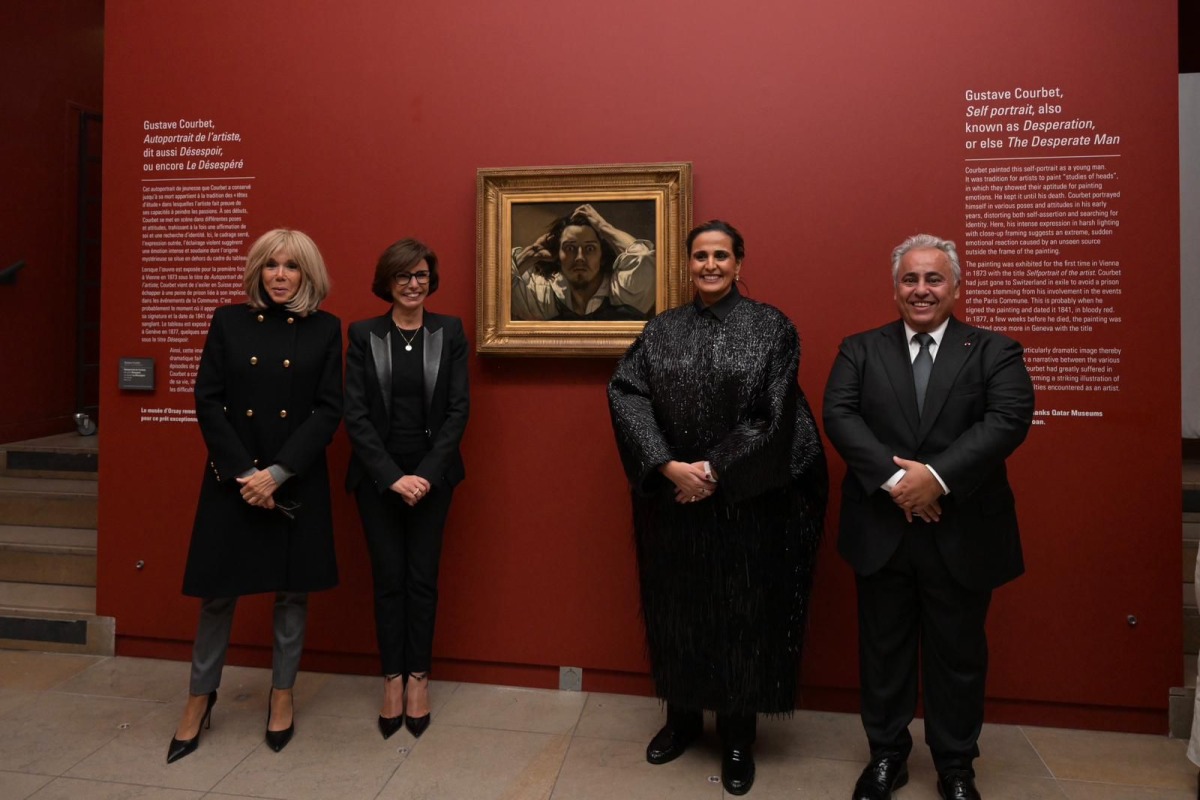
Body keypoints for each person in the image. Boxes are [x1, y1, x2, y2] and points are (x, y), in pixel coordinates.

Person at [607, 220, 827, 796]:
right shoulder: (662, 329)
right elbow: (627, 395)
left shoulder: (771, 327)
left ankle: (736, 738)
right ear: (688, 264)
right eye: (701, 255)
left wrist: (712, 470)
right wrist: (666, 465)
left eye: (721, 256)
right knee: (676, 612)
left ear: (739, 263)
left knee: (742, 618)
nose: (710, 265)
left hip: (746, 503)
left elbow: (775, 414)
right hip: (672, 503)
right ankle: (681, 721)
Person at [822, 233, 1034, 800]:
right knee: (883, 653)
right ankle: (886, 757)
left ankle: (956, 765)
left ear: (955, 287)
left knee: (958, 656)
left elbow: (1008, 419)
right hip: (881, 530)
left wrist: (934, 479)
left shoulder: (994, 351)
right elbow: (839, 415)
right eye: (910, 279)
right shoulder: (859, 350)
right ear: (895, 288)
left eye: (933, 279)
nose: (921, 289)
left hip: (961, 531)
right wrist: (900, 484)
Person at [168, 229, 343, 763]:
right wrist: (247, 474)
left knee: (291, 592)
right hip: (235, 477)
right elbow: (208, 399)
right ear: (257, 271)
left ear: (308, 273)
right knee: (218, 593)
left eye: (291, 266)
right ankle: (199, 698)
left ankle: (282, 693)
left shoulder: (325, 328)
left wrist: (279, 473)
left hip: (294, 476)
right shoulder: (228, 321)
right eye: (270, 265)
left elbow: (328, 409)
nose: (280, 276)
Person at [344, 238, 469, 740]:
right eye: (403, 276)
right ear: (387, 282)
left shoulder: (449, 331)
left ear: (430, 280)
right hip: (378, 480)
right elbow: (354, 414)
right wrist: (393, 476)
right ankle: (391, 680)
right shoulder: (364, 334)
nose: (413, 284)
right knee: (388, 580)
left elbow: (458, 409)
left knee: (422, 580)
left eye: (421, 275)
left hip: (433, 479)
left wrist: (425, 476)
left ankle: (419, 679)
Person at [511, 203, 655, 320]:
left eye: (590, 248)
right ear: (557, 256)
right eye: (570, 248)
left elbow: (643, 257)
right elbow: (501, 288)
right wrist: (532, 253)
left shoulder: (621, 293)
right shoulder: (545, 296)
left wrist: (603, 227)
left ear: (602, 256)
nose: (579, 257)